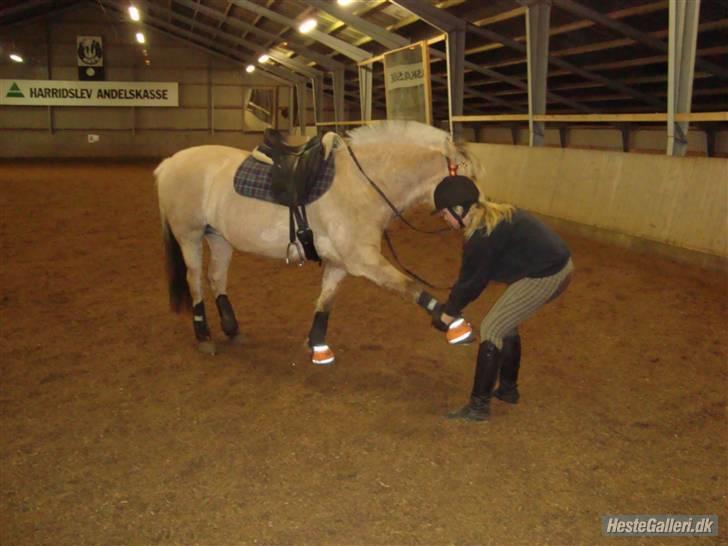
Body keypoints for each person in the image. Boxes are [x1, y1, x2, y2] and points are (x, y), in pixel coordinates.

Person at [431, 175, 573, 421]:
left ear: (459, 209)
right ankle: (508, 390)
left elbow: (471, 283)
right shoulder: (490, 219)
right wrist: (454, 305)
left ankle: (478, 407)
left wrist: (449, 311)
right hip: (554, 266)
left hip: (547, 274)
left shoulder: (483, 235)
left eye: (444, 213)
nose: (444, 219)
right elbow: (474, 276)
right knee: (505, 321)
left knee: (492, 327)